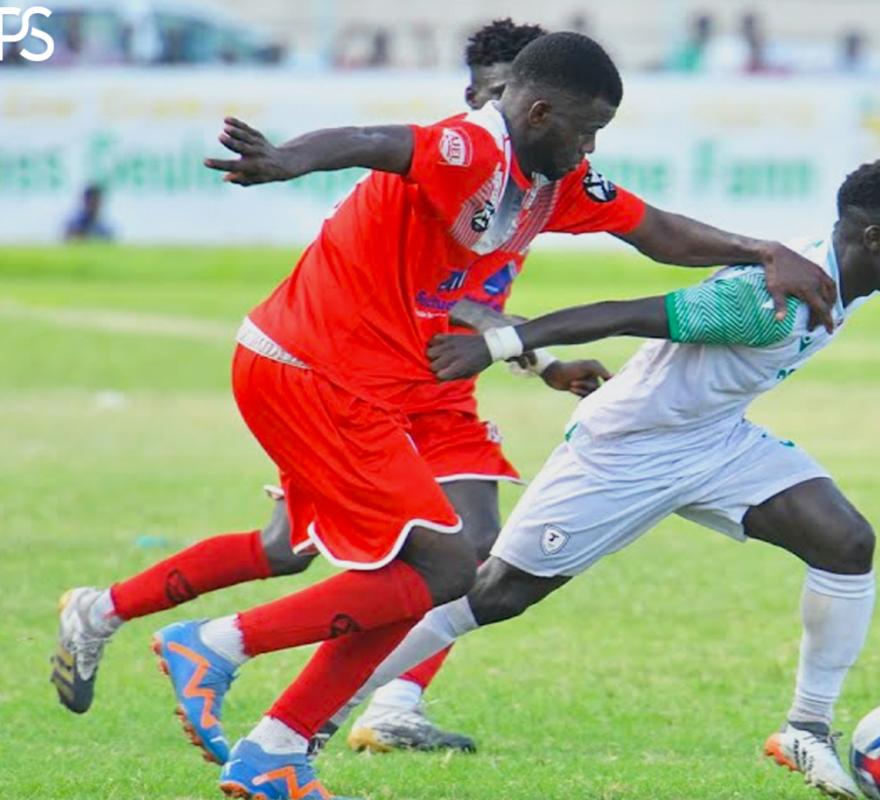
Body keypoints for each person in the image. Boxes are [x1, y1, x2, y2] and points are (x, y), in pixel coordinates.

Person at [71, 30, 837, 799]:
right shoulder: (469, 148)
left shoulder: (554, 177)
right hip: (316, 370)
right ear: (536, 111)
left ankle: (276, 748)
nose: (593, 145)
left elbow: (653, 230)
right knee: (424, 564)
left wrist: (764, 249)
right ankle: (215, 645)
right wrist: (285, 161)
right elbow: (373, 141)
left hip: (385, 382)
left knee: (435, 562)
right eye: (588, 127)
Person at [51, 19, 599, 758]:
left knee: (464, 550)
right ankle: (112, 613)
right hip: (350, 376)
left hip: (432, 391)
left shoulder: (533, 180)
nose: (506, 104)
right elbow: (427, 271)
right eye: (497, 91)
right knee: (291, 551)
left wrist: (538, 358)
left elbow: (473, 298)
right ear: (481, 94)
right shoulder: (451, 157)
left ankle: (379, 707)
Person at [331, 159, 880, 799]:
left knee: (845, 542)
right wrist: (496, 348)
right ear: (873, 240)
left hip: (714, 440)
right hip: (625, 450)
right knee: (494, 596)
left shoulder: (840, 284)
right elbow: (621, 312)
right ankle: (326, 708)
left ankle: (806, 729)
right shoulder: (767, 300)